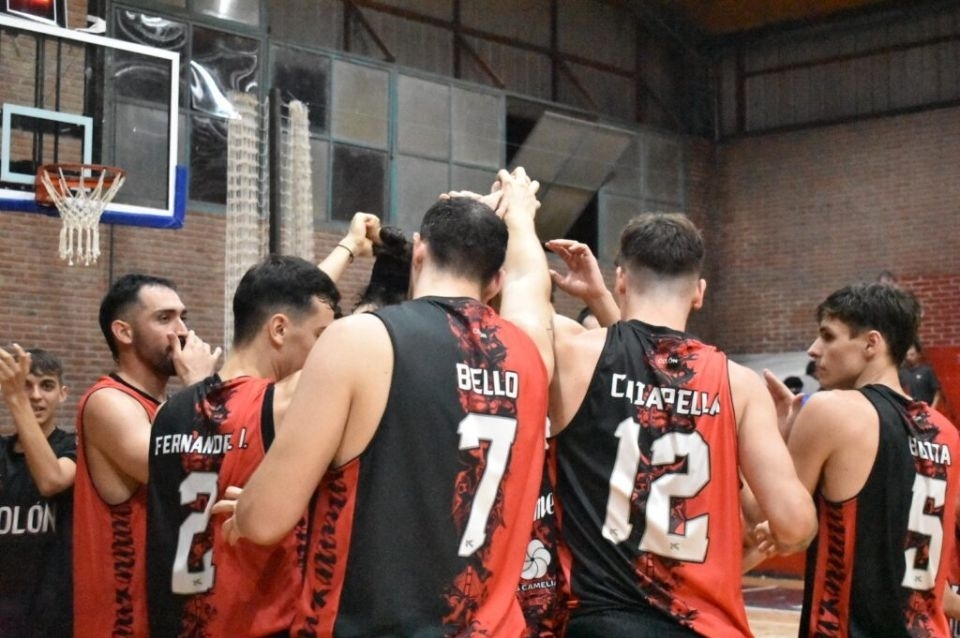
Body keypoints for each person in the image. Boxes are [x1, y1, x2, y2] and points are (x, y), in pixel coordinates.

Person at [219, 168, 554, 635]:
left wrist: (249, 511)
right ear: (494, 282)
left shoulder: (358, 339)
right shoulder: (533, 353)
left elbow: (265, 521)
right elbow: (530, 282)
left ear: (418, 251)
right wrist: (518, 213)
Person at [546, 213, 817, 637]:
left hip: (602, 623)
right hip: (703, 627)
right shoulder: (740, 385)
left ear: (621, 280)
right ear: (700, 293)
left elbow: (622, 361)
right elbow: (796, 525)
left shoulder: (572, 353)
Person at [147, 255, 342, 637]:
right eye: (321, 337)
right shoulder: (286, 400)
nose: (325, 352)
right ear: (279, 329)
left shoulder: (167, 412)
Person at [765, 282, 960, 637]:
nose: (813, 349)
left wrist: (776, 438)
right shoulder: (946, 433)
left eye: (828, 336)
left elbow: (777, 526)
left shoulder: (830, 410)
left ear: (871, 344)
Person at [73, 273, 221, 638]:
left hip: (170, 607)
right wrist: (200, 389)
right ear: (123, 332)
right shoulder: (108, 402)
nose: (181, 331)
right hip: (123, 619)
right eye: (164, 318)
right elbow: (181, 475)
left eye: (183, 317)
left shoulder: (169, 407)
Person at [0, 346, 75, 637]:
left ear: (63, 393)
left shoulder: (74, 445)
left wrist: (15, 399)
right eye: (26, 385)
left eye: (46, 386)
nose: (35, 396)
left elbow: (51, 480)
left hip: (52, 612)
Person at [899, 340, 942, 409]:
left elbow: (937, 392)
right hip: (909, 409)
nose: (908, 357)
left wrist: (932, 408)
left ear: (919, 355)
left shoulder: (927, 371)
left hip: (926, 408)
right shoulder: (902, 372)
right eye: (907, 355)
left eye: (912, 355)